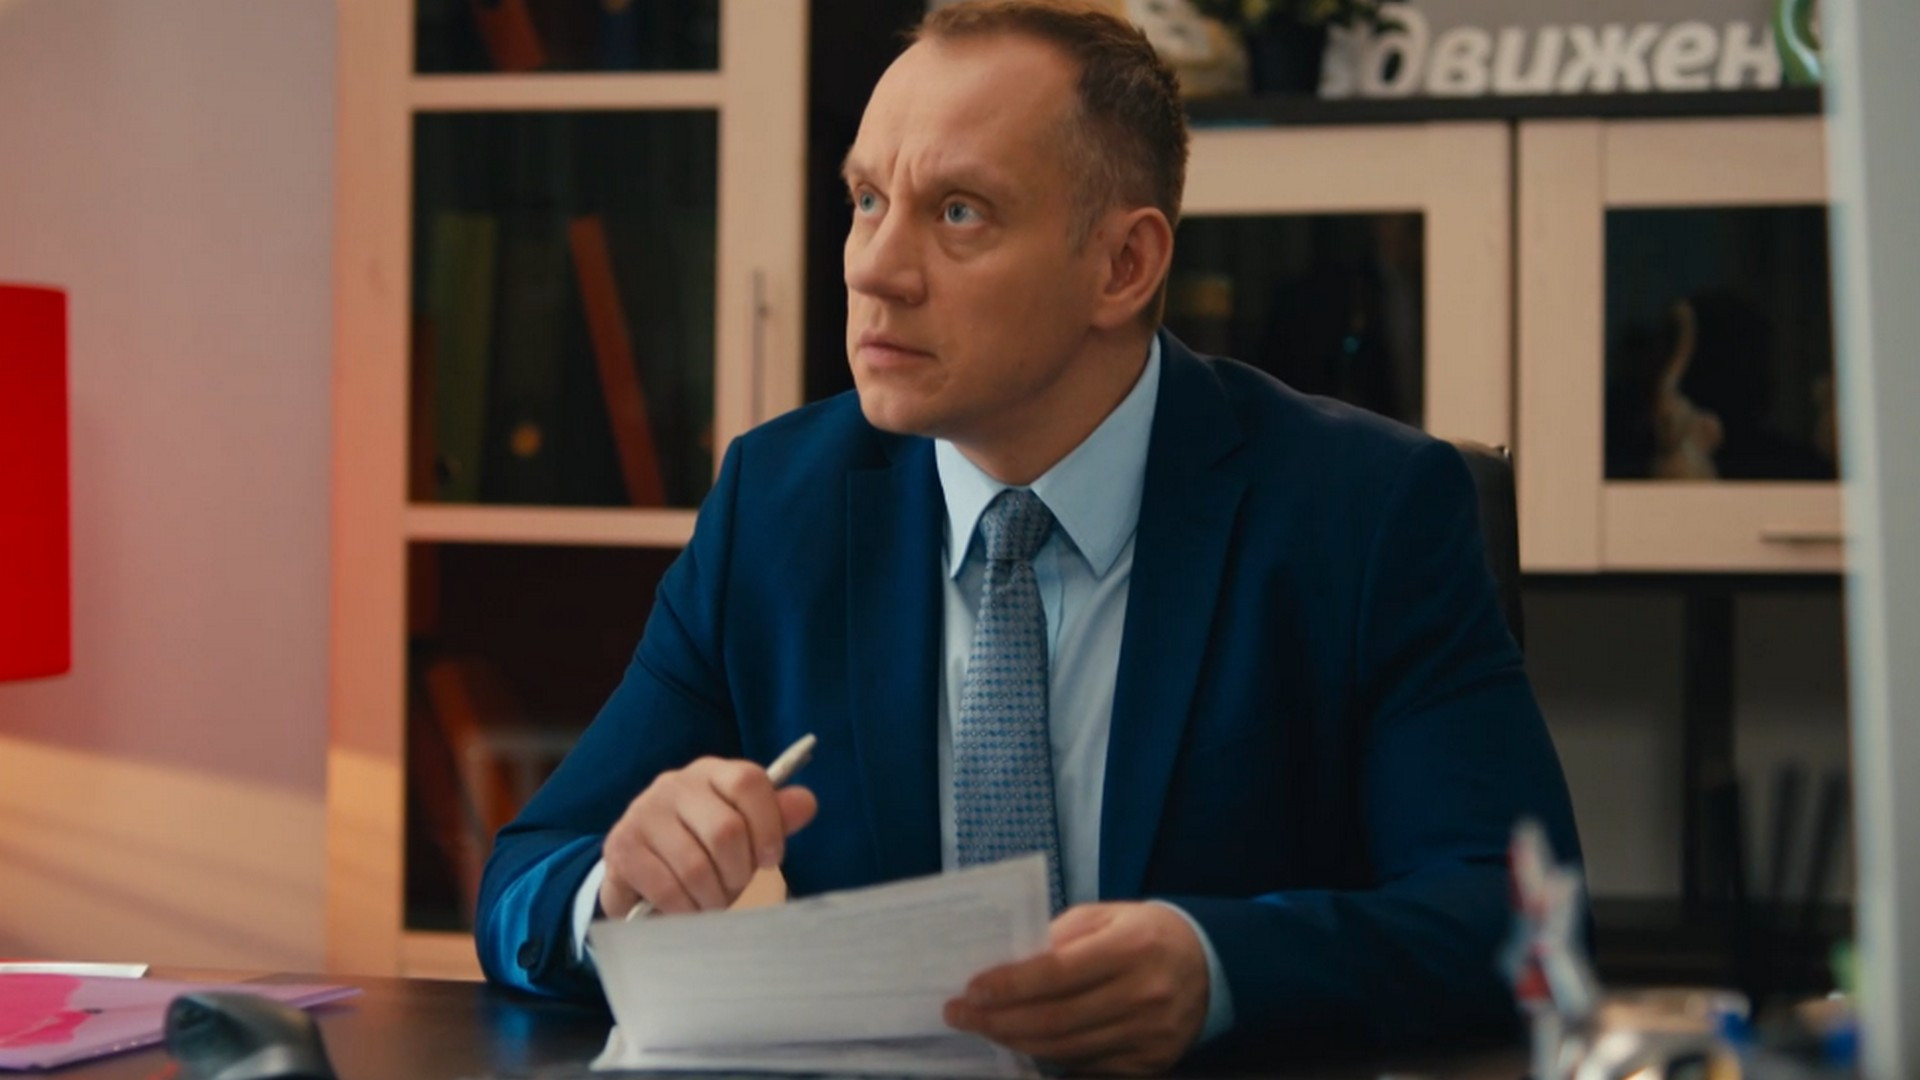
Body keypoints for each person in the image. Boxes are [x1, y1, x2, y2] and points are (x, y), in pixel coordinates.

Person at [476, 1, 1581, 1073]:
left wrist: (1219, 969)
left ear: (1123, 266)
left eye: (959, 212)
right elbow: (522, 884)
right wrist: (617, 891)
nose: (873, 267)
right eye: (867, 199)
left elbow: (1520, 915)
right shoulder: (778, 504)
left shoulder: (1368, 511)